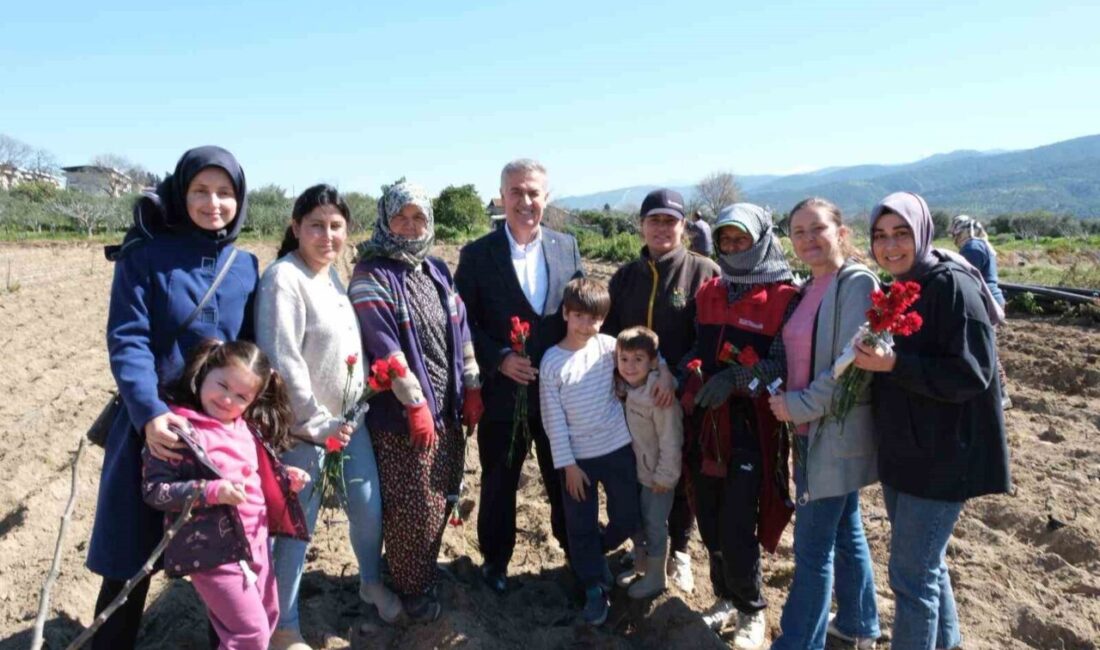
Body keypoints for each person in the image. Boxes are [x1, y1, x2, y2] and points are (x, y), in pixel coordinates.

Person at [87, 146, 259, 650]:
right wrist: (149, 415)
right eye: (200, 191)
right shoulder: (144, 256)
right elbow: (128, 339)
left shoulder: (245, 266)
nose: (213, 203)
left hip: (217, 434)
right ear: (181, 193)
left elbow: (251, 353)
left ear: (240, 199)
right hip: (157, 429)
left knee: (223, 553)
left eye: (225, 193)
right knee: (132, 558)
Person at [855, 191, 1010, 650]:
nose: (890, 246)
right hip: (905, 449)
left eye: (901, 233)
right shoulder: (901, 288)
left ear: (923, 232)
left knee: (911, 575)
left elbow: (972, 373)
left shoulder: (952, 286)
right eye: (880, 235)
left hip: (943, 455)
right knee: (928, 566)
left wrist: (893, 364)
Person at [256, 185, 398, 649]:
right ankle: (285, 626)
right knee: (296, 531)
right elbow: (284, 360)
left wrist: (353, 411)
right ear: (296, 227)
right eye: (316, 225)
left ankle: (370, 583)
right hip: (305, 432)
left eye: (336, 226)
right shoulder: (284, 279)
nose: (327, 235)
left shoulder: (333, 276)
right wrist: (318, 426)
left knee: (367, 508)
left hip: (349, 424)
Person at [349, 180, 484, 621]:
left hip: (446, 407)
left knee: (441, 494)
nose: (410, 226)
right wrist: (414, 404)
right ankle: (412, 591)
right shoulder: (372, 273)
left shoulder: (436, 269)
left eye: (418, 218)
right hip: (402, 416)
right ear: (385, 220)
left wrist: (472, 384)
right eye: (400, 218)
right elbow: (384, 345)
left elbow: (461, 327)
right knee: (413, 507)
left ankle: (419, 573)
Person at [454, 159, 584, 593]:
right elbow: (463, 323)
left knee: (563, 476)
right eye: (516, 192)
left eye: (533, 193)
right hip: (502, 393)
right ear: (502, 197)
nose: (525, 201)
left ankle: (576, 555)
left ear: (546, 197)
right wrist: (498, 358)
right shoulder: (477, 255)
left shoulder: (567, 248)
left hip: (556, 395)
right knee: (498, 479)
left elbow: (581, 312)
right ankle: (495, 561)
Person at [679, 203, 800, 649]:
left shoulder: (785, 297)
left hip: (751, 428)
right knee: (708, 516)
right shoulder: (711, 291)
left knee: (736, 523)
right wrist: (685, 372)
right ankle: (725, 597)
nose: (731, 247)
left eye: (741, 239)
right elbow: (697, 346)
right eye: (725, 239)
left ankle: (751, 609)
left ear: (762, 240)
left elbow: (786, 364)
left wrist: (737, 379)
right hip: (706, 423)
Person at [141, 340, 310, 650]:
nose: (228, 399)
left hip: (256, 542)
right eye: (222, 385)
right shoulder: (181, 431)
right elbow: (156, 491)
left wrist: (286, 479)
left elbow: (254, 474)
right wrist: (211, 491)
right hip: (213, 549)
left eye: (242, 396)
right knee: (250, 634)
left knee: (268, 618)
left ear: (253, 400)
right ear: (204, 372)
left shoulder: (244, 428)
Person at [767, 198, 881, 650]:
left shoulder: (857, 284)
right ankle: (857, 624)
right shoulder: (810, 286)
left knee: (812, 550)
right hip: (809, 430)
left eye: (817, 228)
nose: (807, 239)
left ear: (841, 232)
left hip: (831, 432)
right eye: (798, 231)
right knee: (845, 528)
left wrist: (797, 405)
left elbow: (850, 368)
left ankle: (797, 643)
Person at [601, 188, 719, 593]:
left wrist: (677, 375)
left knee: (679, 473)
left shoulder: (703, 272)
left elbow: (708, 337)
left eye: (671, 221)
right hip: (632, 399)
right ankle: (644, 550)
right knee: (640, 472)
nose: (662, 228)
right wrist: (618, 379)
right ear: (642, 225)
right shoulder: (625, 277)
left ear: (684, 226)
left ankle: (679, 553)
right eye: (654, 220)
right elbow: (607, 334)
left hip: (680, 396)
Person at [539, 279, 643, 625]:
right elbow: (553, 419)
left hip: (617, 448)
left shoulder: (610, 347)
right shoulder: (552, 361)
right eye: (579, 316)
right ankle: (593, 587)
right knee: (580, 523)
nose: (587, 325)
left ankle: (597, 551)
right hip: (578, 459)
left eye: (595, 318)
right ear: (565, 314)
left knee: (627, 515)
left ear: (604, 319)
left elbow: (640, 366)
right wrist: (567, 465)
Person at [613, 326, 683, 599]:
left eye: (638, 359)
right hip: (636, 472)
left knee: (655, 523)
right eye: (624, 359)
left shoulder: (659, 395)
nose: (629, 366)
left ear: (653, 362)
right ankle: (642, 564)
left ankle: (656, 576)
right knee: (638, 519)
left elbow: (671, 439)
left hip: (656, 476)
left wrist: (665, 475)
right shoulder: (628, 388)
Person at [949, 214, 1010, 409]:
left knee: (985, 348)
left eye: (956, 233)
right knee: (986, 346)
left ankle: (1001, 393)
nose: (955, 238)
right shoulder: (982, 245)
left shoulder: (972, 248)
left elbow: (965, 276)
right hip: (992, 300)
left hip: (985, 302)